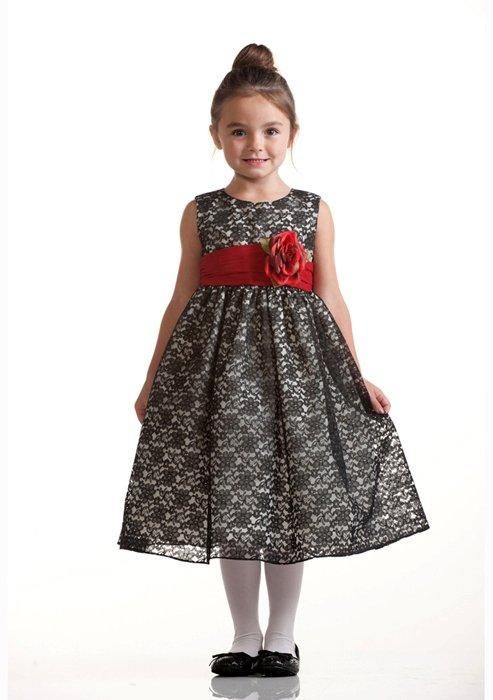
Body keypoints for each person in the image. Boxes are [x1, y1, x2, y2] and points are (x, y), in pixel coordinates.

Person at [116, 42, 430, 677]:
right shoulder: (202, 212)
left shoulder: (312, 210)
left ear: (292, 134)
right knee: (236, 497)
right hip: (223, 378)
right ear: (216, 135)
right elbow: (182, 296)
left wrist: (355, 375)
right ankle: (244, 635)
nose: (254, 144)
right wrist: (153, 380)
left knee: (291, 500)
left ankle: (282, 637)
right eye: (238, 131)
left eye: (269, 130)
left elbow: (331, 296)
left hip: (299, 376)